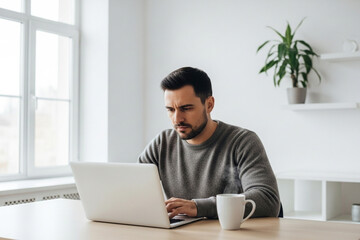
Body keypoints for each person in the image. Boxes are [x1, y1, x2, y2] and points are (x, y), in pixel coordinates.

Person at [138, 67, 280, 219]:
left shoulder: (242, 142)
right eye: (170, 110)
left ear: (209, 105)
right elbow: (132, 191)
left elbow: (267, 200)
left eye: (186, 108)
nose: (177, 119)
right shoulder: (162, 144)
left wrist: (198, 207)